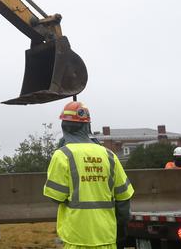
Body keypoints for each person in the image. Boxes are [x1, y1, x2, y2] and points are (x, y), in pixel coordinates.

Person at [44, 101, 135, 249]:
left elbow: (55, 196)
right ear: (87, 126)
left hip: (75, 237)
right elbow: (124, 198)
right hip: (106, 237)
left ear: (64, 127)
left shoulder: (62, 155)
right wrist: (121, 226)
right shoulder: (109, 155)